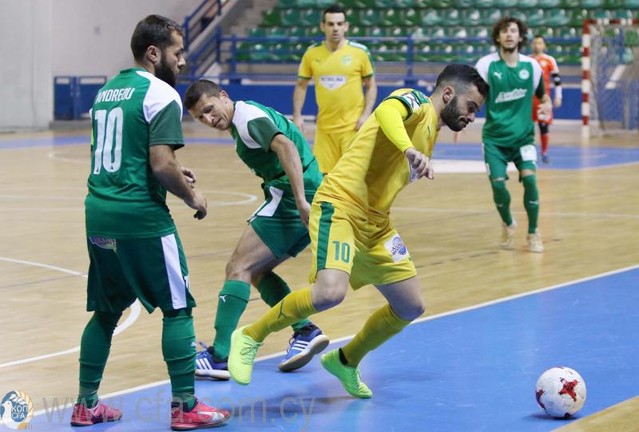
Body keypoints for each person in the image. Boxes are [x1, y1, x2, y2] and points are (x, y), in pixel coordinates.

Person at [226, 64, 488, 398]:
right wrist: (408, 149)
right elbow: (388, 112)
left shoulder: (432, 131)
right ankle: (250, 335)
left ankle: (346, 361)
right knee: (329, 293)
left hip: (376, 224)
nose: (471, 117)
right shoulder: (415, 103)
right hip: (341, 205)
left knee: (410, 307)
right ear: (448, 94)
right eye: (471, 108)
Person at [71, 15, 229, 430]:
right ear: (154, 53)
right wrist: (192, 195)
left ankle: (86, 403)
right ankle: (186, 407)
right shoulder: (160, 93)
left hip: (99, 213)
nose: (182, 63)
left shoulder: (106, 92)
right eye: (177, 53)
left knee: (106, 313)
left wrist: (177, 168)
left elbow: (131, 154)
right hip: (140, 217)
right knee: (178, 308)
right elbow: (161, 164)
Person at [183, 80, 329, 380]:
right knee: (258, 271)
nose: (209, 120)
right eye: (200, 118)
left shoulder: (246, 119)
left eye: (210, 110)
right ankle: (305, 329)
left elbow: (287, 146)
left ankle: (220, 355)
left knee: (238, 267)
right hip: (303, 193)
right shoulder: (246, 117)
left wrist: (300, 200)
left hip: (290, 199)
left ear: (224, 96)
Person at [475, 17, 552, 253]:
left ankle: (533, 233)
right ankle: (508, 223)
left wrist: (547, 105)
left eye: (514, 31)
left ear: (521, 37)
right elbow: (473, 97)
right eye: (504, 31)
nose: (509, 35)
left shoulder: (532, 67)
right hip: (494, 139)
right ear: (497, 37)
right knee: (498, 185)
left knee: (529, 179)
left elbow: (544, 96)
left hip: (523, 138)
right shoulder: (486, 66)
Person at [293, 3, 377, 174]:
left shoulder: (360, 52)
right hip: (324, 130)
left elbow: (371, 85)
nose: (335, 28)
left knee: (353, 177)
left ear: (346, 26)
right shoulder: (311, 53)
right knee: (323, 179)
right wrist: (297, 116)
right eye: (330, 24)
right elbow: (301, 86)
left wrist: (366, 114)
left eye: (339, 24)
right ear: (323, 26)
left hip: (353, 128)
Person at [531, 35, 562, 164]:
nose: (537, 45)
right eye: (535, 43)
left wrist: (558, 96)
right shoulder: (527, 60)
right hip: (528, 100)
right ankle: (528, 153)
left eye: (540, 43)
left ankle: (544, 152)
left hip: (543, 100)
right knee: (527, 128)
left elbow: (557, 80)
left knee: (543, 126)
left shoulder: (549, 60)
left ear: (544, 45)